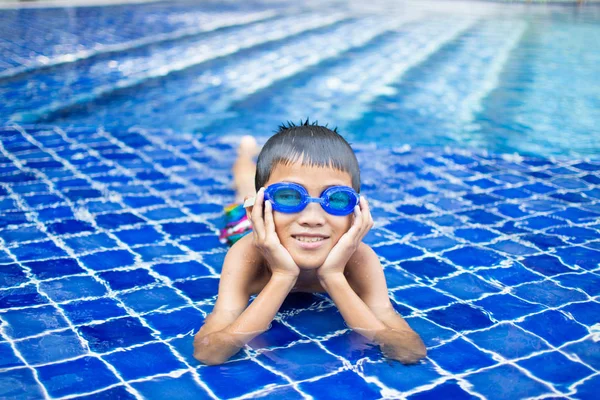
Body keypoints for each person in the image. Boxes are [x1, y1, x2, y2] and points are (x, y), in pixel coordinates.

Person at [193, 120, 427, 365]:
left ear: (356, 212)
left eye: (336, 199)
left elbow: (409, 351)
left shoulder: (359, 259)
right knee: (243, 185)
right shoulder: (247, 255)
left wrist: (334, 275)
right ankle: (244, 155)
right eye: (288, 195)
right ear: (258, 209)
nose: (312, 219)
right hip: (244, 225)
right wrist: (283, 275)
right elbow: (208, 352)